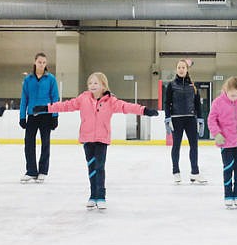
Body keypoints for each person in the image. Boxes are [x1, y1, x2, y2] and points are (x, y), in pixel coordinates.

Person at [33, 72, 158, 210]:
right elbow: (66, 106)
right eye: (90, 83)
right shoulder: (83, 98)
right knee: (91, 168)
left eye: (96, 83)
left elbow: (126, 107)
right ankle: (93, 196)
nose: (92, 85)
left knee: (99, 167)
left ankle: (101, 196)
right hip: (87, 138)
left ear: (103, 86)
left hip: (101, 139)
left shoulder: (111, 101)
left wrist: (144, 110)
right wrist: (46, 108)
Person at [207, 76, 237, 209]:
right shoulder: (217, 103)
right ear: (226, 89)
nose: (235, 98)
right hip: (226, 141)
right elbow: (211, 120)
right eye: (232, 95)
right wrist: (217, 134)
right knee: (228, 168)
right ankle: (228, 195)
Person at [163, 59, 206, 184]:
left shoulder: (193, 86)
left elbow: (197, 104)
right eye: (179, 67)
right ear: (176, 69)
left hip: (190, 119)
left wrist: (200, 119)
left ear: (187, 69)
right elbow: (167, 103)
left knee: (194, 146)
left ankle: (195, 173)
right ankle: (176, 172)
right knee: (176, 146)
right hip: (176, 119)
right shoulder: (171, 85)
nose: (181, 69)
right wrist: (167, 118)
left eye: (183, 67)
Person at [19, 52, 59, 183]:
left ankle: (43, 171)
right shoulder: (28, 79)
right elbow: (24, 98)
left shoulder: (51, 79)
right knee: (29, 143)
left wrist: (55, 116)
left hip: (46, 115)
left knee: (45, 143)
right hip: (32, 115)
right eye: (39, 62)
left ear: (46, 64)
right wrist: (22, 116)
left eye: (44, 62)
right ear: (35, 62)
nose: (41, 64)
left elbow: (55, 98)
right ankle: (31, 171)